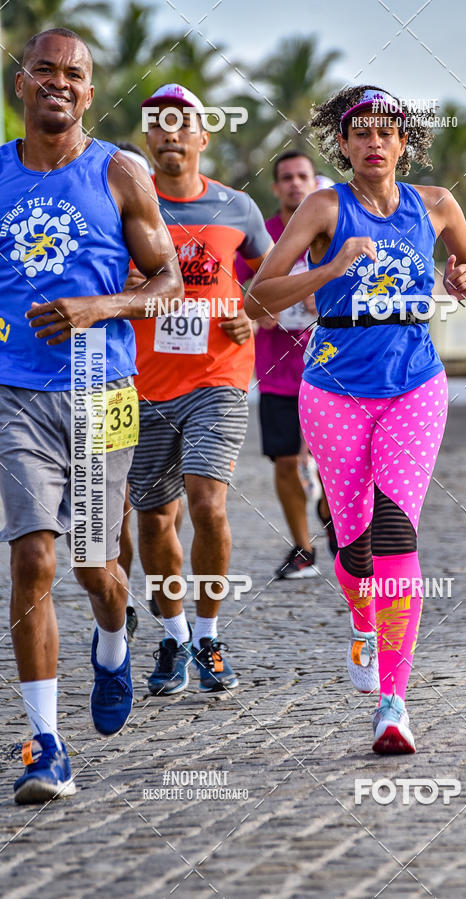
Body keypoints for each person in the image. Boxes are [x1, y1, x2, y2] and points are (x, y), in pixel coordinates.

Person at [245, 86, 466, 754]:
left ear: (404, 142)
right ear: (343, 144)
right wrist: (329, 267)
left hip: (414, 382)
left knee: (394, 528)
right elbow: (260, 297)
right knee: (354, 547)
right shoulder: (325, 207)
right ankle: (361, 614)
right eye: (360, 134)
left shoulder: (435, 203)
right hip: (333, 389)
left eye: (387, 132)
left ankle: (392, 701)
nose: (374, 143)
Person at [1, 29, 183, 803]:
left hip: (103, 390)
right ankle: (45, 743)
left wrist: (98, 307)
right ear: (21, 83)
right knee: (32, 560)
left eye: (73, 74)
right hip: (14, 393)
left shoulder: (119, 172)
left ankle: (115, 636)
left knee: (93, 567)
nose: (59, 83)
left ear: (88, 90)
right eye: (45, 69)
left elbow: (168, 279)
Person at [127, 84, 272, 697]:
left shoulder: (237, 207)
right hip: (142, 384)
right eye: (158, 124)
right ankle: (174, 636)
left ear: (202, 138)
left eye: (183, 124)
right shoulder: (125, 205)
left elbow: (275, 273)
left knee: (208, 501)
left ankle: (209, 636)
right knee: (155, 516)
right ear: (148, 138)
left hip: (219, 379)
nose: (170, 134)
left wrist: (254, 311)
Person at [237, 150, 336, 579]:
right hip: (277, 368)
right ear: (275, 187)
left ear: (315, 183)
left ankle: (335, 516)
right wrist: (258, 309)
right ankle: (303, 548)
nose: (295, 184)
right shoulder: (265, 235)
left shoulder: (334, 230)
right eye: (286, 178)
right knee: (282, 461)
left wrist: (324, 294)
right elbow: (240, 285)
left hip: (332, 365)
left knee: (335, 460)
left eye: (303, 176)